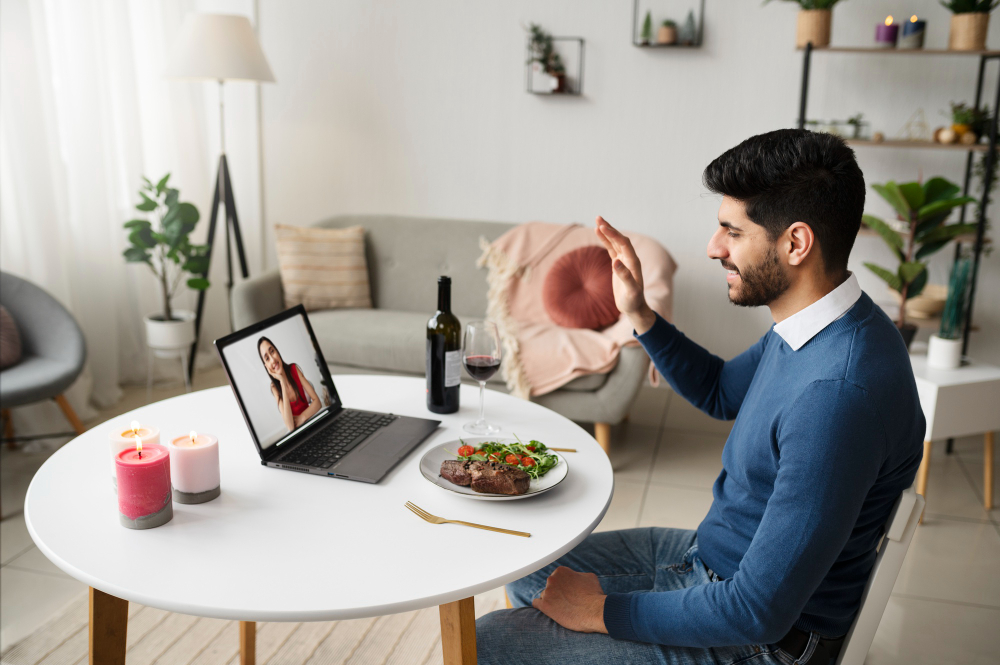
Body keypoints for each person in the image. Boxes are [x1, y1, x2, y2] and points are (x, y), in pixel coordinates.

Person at [475, 129, 925, 665]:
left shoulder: (837, 395)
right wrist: (638, 313)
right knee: (526, 569)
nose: (714, 248)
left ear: (796, 243)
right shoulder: (813, 325)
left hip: (757, 641)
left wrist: (600, 612)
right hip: (712, 560)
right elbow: (719, 390)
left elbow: (756, 611)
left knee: (485, 644)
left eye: (731, 232)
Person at [257, 336, 321, 432]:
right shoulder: (274, 388)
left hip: (311, 422)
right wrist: (282, 381)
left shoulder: (294, 369)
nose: (273, 360)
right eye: (267, 358)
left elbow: (317, 402)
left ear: (277, 352)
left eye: (272, 352)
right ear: (266, 366)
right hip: (298, 434)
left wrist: (301, 417)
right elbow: (290, 426)